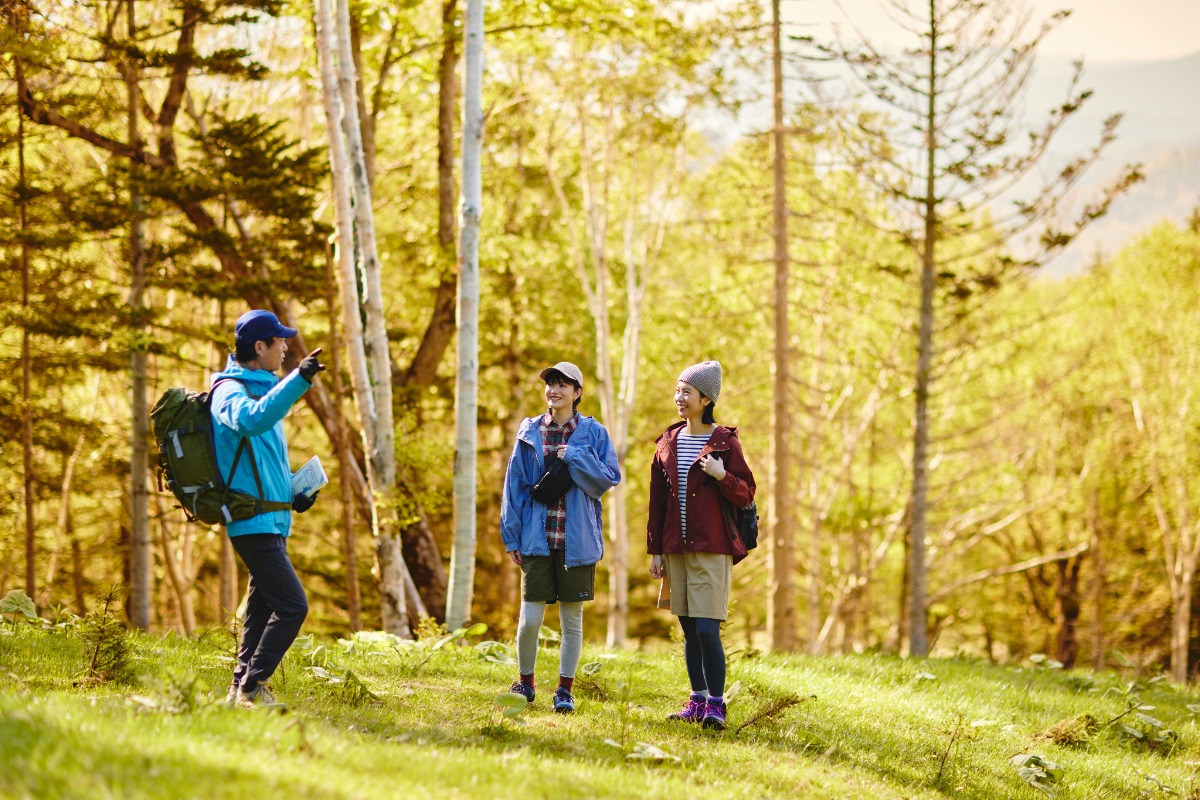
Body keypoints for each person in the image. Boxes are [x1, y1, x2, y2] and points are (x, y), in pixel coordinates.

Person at [211, 309, 326, 710]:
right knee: (294, 605)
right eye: (280, 343)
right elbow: (249, 421)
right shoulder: (229, 392)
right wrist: (300, 379)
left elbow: (260, 464)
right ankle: (252, 686)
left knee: (261, 609)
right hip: (250, 521)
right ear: (258, 347)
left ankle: (238, 690)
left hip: (271, 518)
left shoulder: (263, 388)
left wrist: (294, 493)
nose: (286, 349)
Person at [499, 362, 621, 714]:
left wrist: (577, 456)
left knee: (571, 621)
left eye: (563, 385)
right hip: (536, 537)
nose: (554, 390)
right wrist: (512, 536)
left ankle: (564, 690)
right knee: (530, 621)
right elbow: (515, 486)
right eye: (550, 384)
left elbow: (607, 479)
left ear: (577, 392)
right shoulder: (530, 432)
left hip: (576, 540)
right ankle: (526, 681)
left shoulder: (594, 434)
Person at [647, 360, 756, 731]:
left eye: (686, 392)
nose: (679, 398)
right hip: (675, 548)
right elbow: (657, 501)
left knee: (708, 628)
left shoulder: (725, 441)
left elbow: (746, 494)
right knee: (690, 629)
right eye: (677, 390)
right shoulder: (668, 440)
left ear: (706, 399)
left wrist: (722, 475)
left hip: (713, 547)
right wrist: (656, 551)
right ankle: (696, 700)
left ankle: (716, 704)